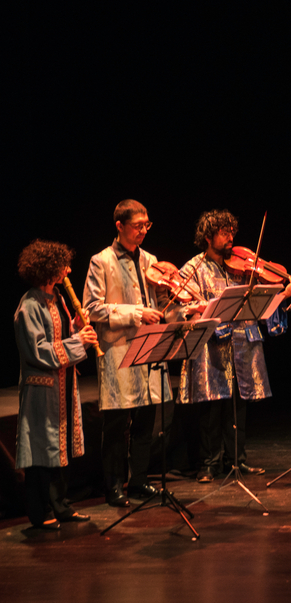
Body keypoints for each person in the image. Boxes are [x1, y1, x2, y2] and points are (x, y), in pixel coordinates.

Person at [177, 210, 291, 482]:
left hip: (241, 344)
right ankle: (209, 464)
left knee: (238, 404)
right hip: (211, 346)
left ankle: (236, 459)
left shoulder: (243, 267)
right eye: (225, 233)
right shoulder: (192, 269)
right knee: (212, 407)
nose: (231, 238)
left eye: (232, 232)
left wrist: (284, 293)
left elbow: (262, 304)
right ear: (208, 237)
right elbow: (183, 304)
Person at [83, 199, 172, 507]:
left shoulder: (151, 260)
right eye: (137, 226)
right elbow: (92, 309)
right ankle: (113, 486)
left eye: (147, 225)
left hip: (149, 348)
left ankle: (139, 481)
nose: (143, 231)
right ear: (119, 226)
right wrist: (136, 314)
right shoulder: (101, 261)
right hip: (118, 352)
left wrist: (172, 302)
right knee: (117, 425)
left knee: (147, 422)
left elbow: (159, 305)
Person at [14, 240, 98, 529]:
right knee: (42, 450)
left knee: (60, 448)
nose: (69, 270)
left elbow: (62, 333)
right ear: (49, 269)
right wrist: (79, 342)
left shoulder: (58, 298)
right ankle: (41, 511)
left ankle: (62, 505)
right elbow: (38, 350)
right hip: (42, 388)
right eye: (63, 266)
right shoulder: (29, 305)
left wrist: (76, 327)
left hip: (63, 383)